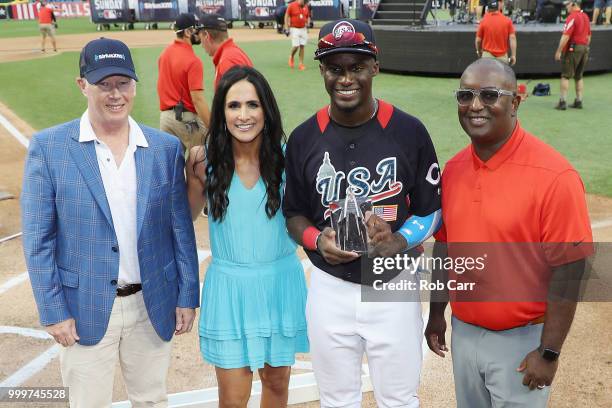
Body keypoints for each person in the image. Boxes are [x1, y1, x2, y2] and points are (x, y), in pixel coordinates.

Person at [21, 38, 200, 407]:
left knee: (151, 400)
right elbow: (38, 240)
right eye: (103, 84)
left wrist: (186, 295)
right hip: (82, 304)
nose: (114, 94)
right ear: (82, 85)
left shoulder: (164, 149)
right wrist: (53, 311)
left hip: (152, 304)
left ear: (135, 85)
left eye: (122, 83)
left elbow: (179, 228)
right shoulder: (49, 148)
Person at [283, 19, 442, 407]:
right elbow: (293, 213)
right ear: (322, 70)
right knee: (337, 400)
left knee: (399, 399)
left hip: (393, 285)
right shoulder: (304, 137)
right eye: (335, 68)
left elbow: (432, 210)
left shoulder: (409, 131)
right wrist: (317, 239)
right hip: (328, 286)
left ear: (375, 65)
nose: (345, 78)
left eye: (356, 66)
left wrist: (399, 239)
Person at [425, 58, 593, 408]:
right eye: (465, 95)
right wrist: (436, 313)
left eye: (489, 95)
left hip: (523, 341)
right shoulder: (453, 170)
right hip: (465, 334)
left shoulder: (554, 176)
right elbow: (444, 247)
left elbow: (570, 269)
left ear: (515, 102)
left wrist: (549, 352)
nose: (475, 106)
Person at [186, 66, 308, 407]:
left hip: (280, 284)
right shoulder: (201, 161)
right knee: (233, 397)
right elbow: (182, 223)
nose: (244, 115)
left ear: (266, 110)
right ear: (221, 111)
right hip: (229, 289)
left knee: (278, 386)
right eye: (233, 105)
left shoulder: (290, 162)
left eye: (252, 105)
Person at [157, 13, 211, 155]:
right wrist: (213, 127)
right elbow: (198, 100)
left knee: (170, 167)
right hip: (186, 119)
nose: (199, 33)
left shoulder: (164, 54)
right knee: (200, 163)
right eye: (196, 30)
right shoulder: (193, 61)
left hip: (165, 119)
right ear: (187, 32)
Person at [198, 13, 253, 89]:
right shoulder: (232, 53)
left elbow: (238, 97)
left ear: (207, 36)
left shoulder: (227, 61)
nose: (201, 45)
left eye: (201, 38)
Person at [554, 0, 591, 110]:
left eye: (567, 4)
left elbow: (566, 36)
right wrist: (584, 47)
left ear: (574, 4)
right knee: (579, 76)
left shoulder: (572, 17)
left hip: (573, 49)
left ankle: (562, 102)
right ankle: (579, 100)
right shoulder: (585, 16)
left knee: (565, 76)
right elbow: (589, 37)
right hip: (585, 48)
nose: (566, 7)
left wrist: (559, 51)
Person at [476, 0, 517, 65]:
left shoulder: (483, 21)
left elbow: (478, 40)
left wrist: (479, 51)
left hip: (487, 57)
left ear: (488, 9)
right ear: (498, 7)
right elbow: (512, 38)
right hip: (502, 58)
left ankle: (477, 19)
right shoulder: (507, 21)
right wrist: (513, 55)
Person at [284, 0, 310, 70]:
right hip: (294, 28)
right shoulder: (292, 5)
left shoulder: (305, 6)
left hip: (303, 29)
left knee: (302, 46)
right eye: (303, 2)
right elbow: (286, 16)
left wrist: (308, 24)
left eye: (305, 2)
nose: (304, 3)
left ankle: (301, 64)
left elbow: (307, 17)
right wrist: (286, 28)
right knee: (296, 46)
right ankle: (291, 56)